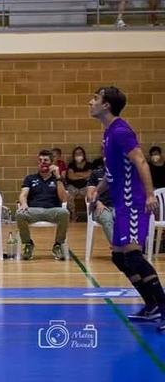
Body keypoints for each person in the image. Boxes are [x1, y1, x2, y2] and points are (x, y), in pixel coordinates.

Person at [88, 86, 165, 330]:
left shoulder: (121, 130)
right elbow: (112, 173)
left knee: (133, 255)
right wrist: (96, 192)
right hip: (121, 202)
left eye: (95, 98)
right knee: (119, 257)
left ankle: (163, 307)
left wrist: (150, 194)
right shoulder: (108, 133)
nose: (90, 102)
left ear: (106, 105)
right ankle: (152, 305)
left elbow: (140, 160)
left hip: (133, 201)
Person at [16, 149, 70, 261]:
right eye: (40, 160)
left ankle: (58, 245)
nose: (42, 163)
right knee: (19, 214)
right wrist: (24, 204)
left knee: (64, 213)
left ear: (51, 163)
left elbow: (63, 198)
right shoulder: (30, 178)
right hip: (33, 210)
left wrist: (58, 176)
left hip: (52, 211)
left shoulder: (58, 179)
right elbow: (23, 194)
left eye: (45, 160)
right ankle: (28, 244)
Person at [86, 167, 115, 243]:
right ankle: (118, 249)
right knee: (107, 219)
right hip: (100, 207)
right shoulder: (96, 173)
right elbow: (90, 195)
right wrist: (98, 203)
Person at [66, 146, 94, 221]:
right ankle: (73, 214)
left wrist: (76, 174)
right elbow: (71, 176)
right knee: (68, 195)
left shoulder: (89, 164)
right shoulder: (71, 165)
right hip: (73, 186)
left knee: (91, 195)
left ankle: (91, 216)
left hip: (85, 186)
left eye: (80, 153)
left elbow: (89, 175)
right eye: (76, 153)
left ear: (84, 154)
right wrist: (84, 175)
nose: (78, 155)